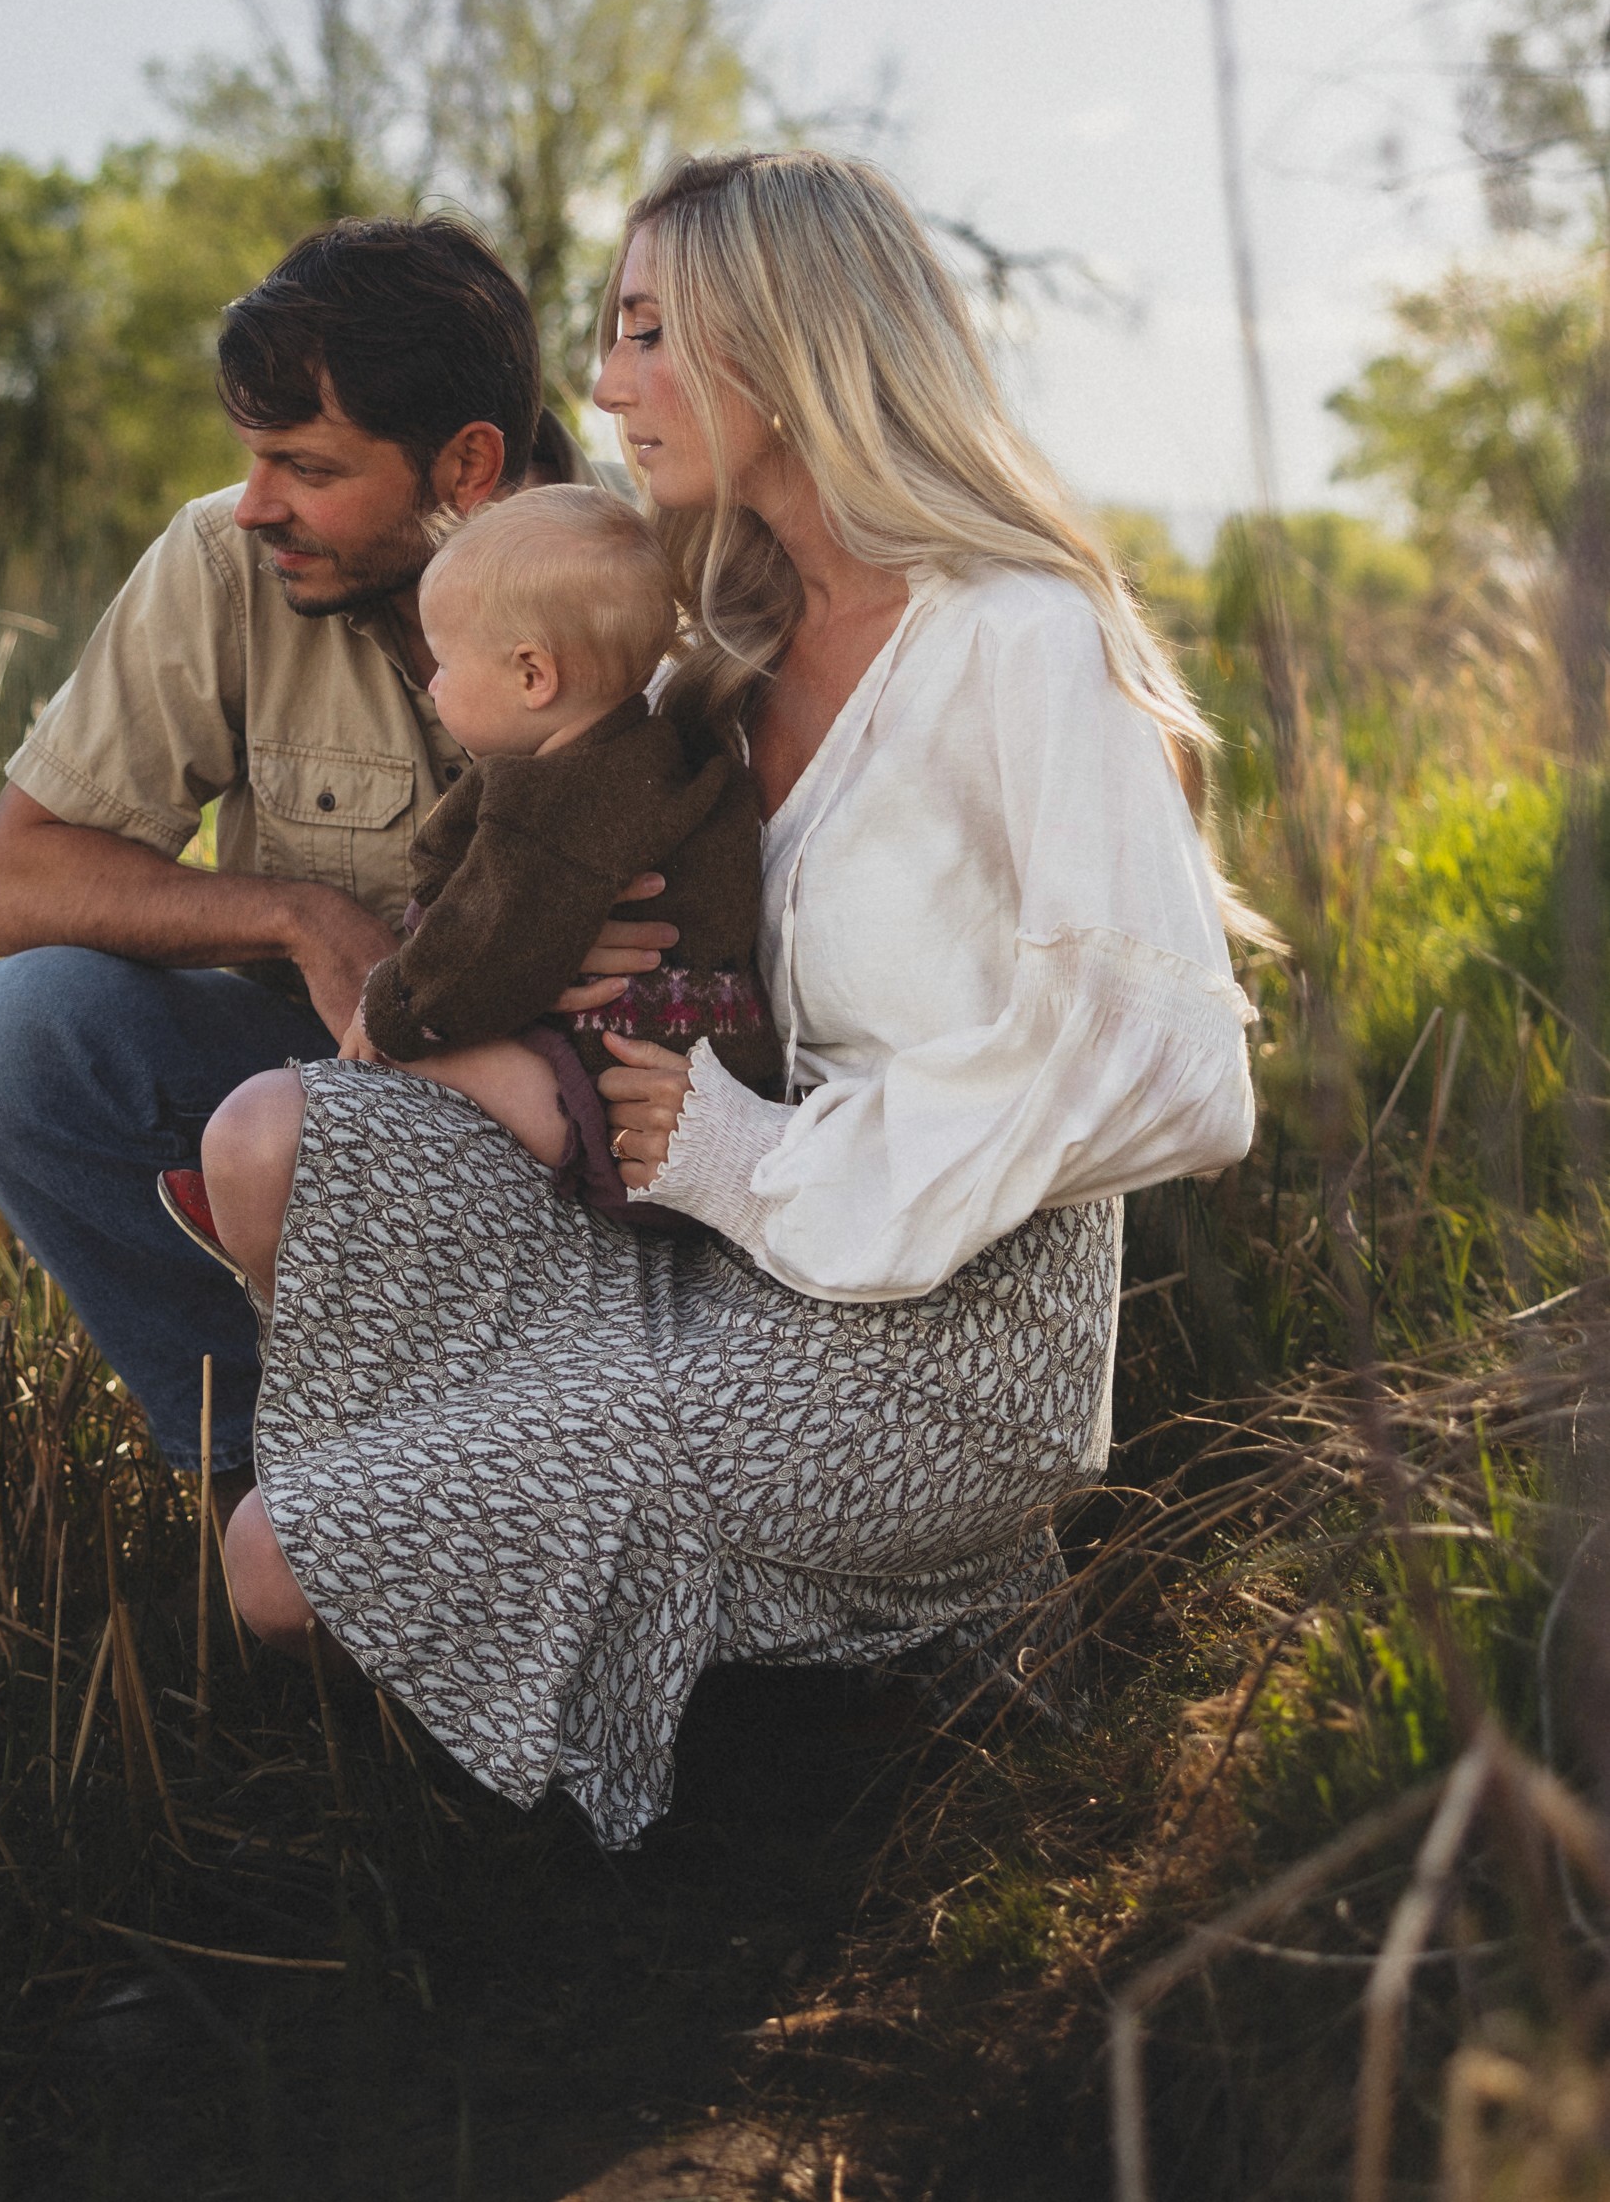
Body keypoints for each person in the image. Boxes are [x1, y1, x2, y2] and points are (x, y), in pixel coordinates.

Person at [199, 148, 1260, 1849]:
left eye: (646, 332)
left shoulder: (1015, 636)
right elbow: (585, 889)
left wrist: (754, 1159)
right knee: (280, 1137)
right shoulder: (723, 644)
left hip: (941, 1339)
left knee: (274, 1563)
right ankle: (674, 1634)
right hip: (719, 1232)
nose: (605, 382)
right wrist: (564, 995)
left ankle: (938, 1610)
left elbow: (1168, 1059)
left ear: (791, 343)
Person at [0, 213, 668, 1484]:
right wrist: (303, 920)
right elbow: (13, 882)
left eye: (309, 468)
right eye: (254, 458)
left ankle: (527, 1464)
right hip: (317, 1090)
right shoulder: (224, 559)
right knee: (16, 1032)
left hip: (594, 1122)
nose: (258, 504)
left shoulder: (654, 577)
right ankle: (251, 1473)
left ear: (468, 464)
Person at [349, 485, 775, 1225]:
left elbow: (482, 954)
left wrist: (388, 1011)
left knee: (402, 1060)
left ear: (532, 676)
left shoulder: (546, 809)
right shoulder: (660, 756)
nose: (433, 681)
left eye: (445, 662)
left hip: (615, 1108)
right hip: (709, 1067)